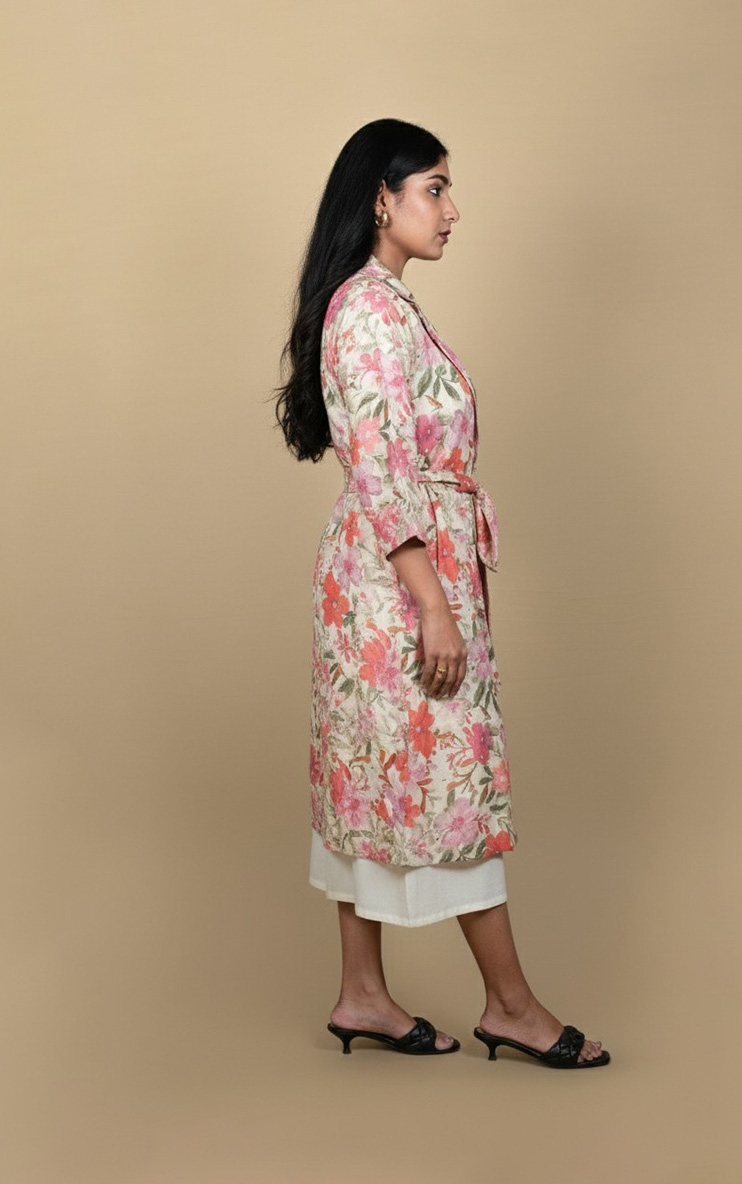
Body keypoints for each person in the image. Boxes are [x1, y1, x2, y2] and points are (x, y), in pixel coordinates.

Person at [273, 118, 610, 1069]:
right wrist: (430, 600)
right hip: (393, 587)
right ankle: (511, 1005)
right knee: (445, 782)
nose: (451, 210)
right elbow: (380, 469)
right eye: (434, 188)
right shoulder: (369, 312)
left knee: (373, 779)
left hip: (396, 575)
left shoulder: (384, 304)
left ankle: (361, 996)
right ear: (382, 199)